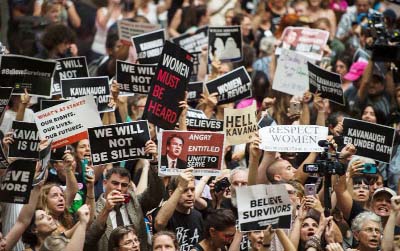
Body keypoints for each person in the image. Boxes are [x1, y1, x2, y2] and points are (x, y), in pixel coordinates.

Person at [91, 157, 163, 251]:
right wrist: (106, 209)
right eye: (115, 183)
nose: (119, 188)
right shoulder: (94, 209)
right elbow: (89, 240)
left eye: (124, 185)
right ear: (104, 183)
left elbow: (156, 195)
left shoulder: (134, 202)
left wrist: (154, 163)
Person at [154, 168, 204, 250]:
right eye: (185, 190)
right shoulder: (163, 214)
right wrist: (181, 186)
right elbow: (159, 223)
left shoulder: (198, 215)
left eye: (192, 189)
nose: (190, 194)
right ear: (171, 193)